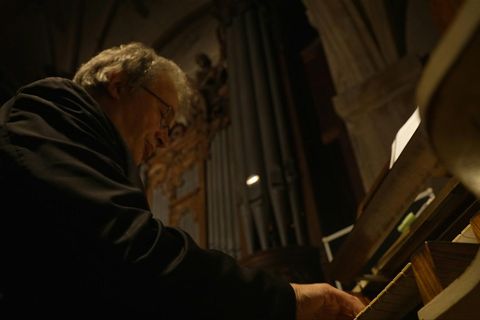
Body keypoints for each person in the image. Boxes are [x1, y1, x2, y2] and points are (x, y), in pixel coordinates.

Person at [0, 42, 364, 319]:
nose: (164, 137)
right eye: (163, 114)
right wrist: (288, 298)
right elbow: (136, 255)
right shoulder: (51, 109)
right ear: (117, 82)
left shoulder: (90, 150)